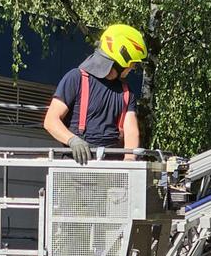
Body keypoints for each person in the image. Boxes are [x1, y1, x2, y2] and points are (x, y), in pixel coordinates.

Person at [43, 23, 148, 164]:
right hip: (74, 169)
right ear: (120, 58)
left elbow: (131, 132)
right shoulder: (76, 78)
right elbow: (51, 121)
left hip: (109, 171)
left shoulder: (126, 93)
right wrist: (73, 140)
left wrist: (129, 160)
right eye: (132, 63)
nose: (133, 67)